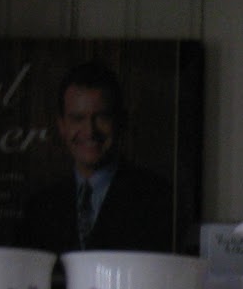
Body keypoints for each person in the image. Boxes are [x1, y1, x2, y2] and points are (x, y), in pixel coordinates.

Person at [17, 60, 177, 254]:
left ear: (120, 121)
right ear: (62, 126)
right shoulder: (39, 208)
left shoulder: (158, 199)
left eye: (102, 117)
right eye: (78, 118)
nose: (90, 131)